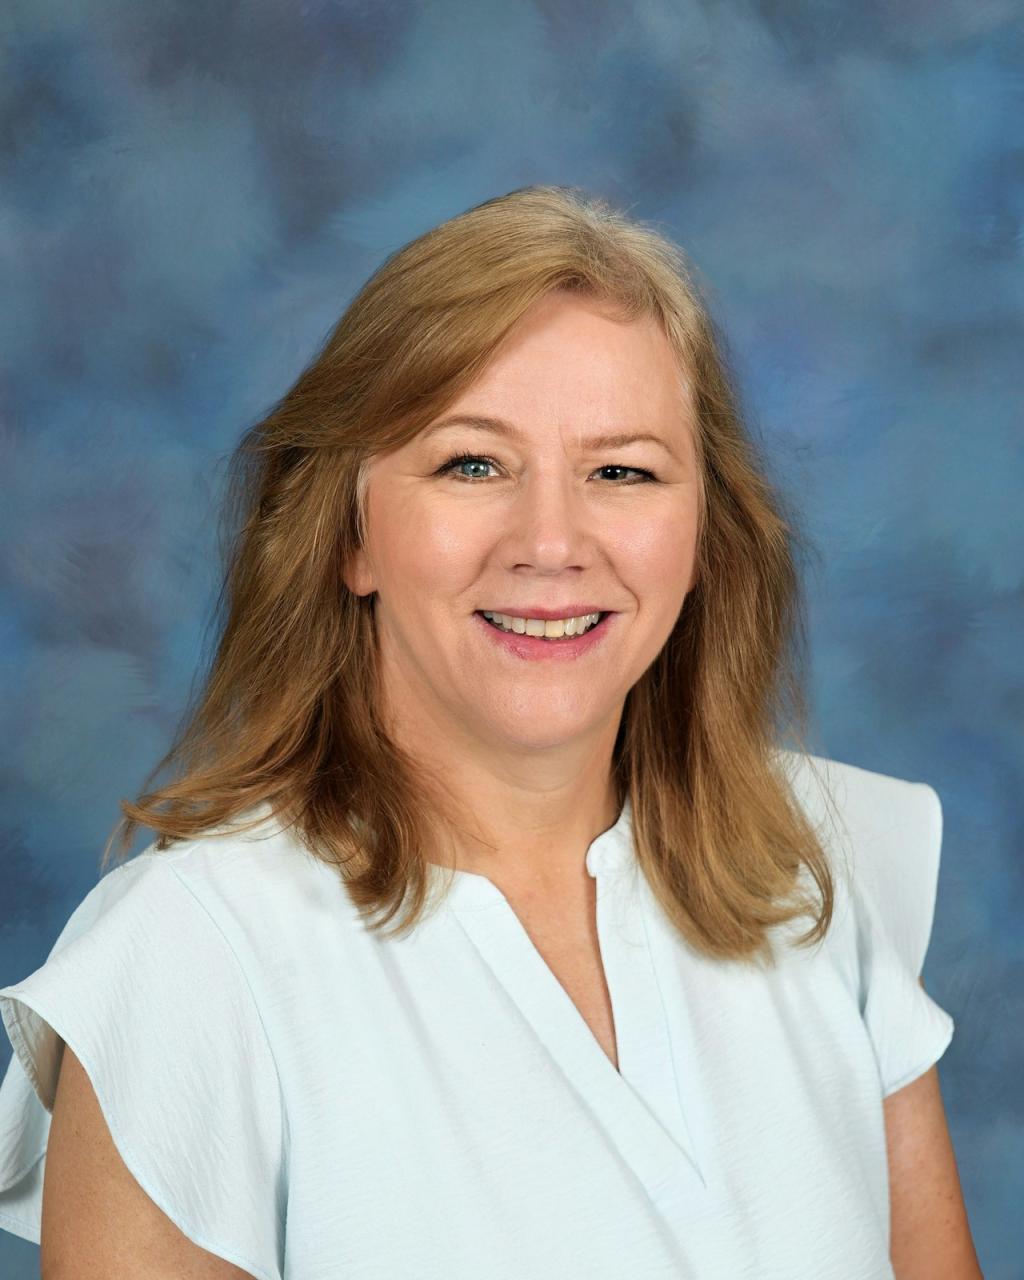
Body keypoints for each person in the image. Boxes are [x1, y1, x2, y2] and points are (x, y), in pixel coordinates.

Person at [0, 186, 981, 1278]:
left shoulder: (819, 860)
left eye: (623, 470)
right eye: (471, 463)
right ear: (349, 537)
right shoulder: (186, 957)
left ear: (703, 534)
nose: (551, 541)